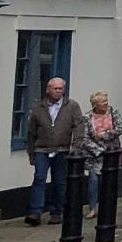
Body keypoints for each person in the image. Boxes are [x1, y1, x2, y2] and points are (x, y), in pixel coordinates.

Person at [23, 76, 81, 225]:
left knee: (59, 182)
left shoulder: (72, 106)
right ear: (48, 90)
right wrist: (31, 152)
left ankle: (56, 212)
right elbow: (31, 131)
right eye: (55, 89)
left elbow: (79, 127)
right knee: (39, 179)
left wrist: (76, 147)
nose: (58, 91)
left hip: (62, 149)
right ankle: (35, 212)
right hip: (41, 148)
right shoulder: (39, 107)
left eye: (60, 89)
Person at [75, 90, 122, 211]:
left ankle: (107, 207)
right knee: (93, 180)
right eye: (102, 101)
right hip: (95, 155)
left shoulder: (113, 112)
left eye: (106, 101)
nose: (105, 103)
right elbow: (85, 138)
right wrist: (100, 150)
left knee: (109, 181)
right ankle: (93, 207)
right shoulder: (87, 118)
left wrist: (105, 135)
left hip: (112, 153)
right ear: (95, 104)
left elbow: (121, 127)